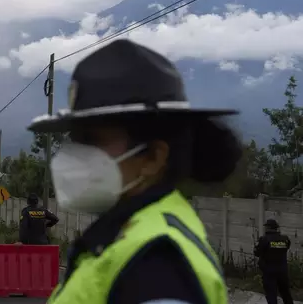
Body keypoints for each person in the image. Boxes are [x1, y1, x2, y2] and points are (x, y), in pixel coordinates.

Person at [28, 38, 242, 304]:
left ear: (153, 157)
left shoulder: (157, 263)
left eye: (92, 140)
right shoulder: (125, 236)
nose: (73, 156)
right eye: (76, 139)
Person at [254, 219, 293, 304]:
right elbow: (286, 248)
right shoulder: (285, 239)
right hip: (282, 271)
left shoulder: (264, 239)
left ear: (268, 228)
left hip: (269, 271)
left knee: (271, 294)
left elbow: (256, 253)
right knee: (285, 293)